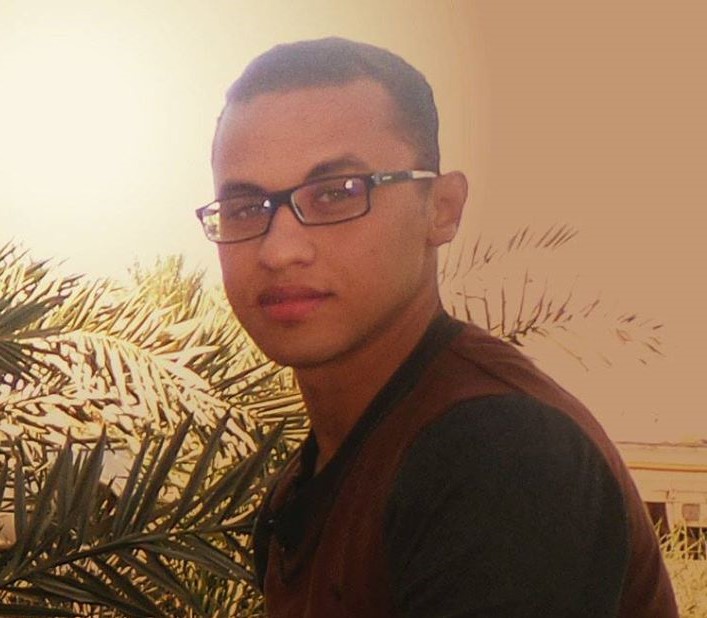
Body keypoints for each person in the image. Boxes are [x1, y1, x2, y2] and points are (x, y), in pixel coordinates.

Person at [196, 37, 677, 617]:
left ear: (442, 208)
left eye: (336, 194)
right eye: (246, 208)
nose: (280, 250)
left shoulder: (499, 456)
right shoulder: (316, 478)